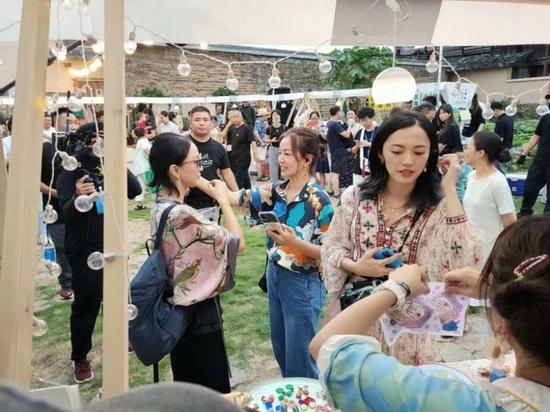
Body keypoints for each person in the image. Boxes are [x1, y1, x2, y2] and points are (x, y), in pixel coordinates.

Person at [311, 217, 550, 412]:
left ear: (502, 322)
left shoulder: (448, 402)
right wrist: (496, 291)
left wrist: (397, 288)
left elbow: (326, 346)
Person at [321, 111, 483, 365]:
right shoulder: (356, 196)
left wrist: (449, 189)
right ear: (380, 153)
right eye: (397, 151)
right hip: (360, 317)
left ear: (430, 155)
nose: (408, 161)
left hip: (411, 328)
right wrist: (356, 266)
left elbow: (465, 257)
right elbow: (333, 246)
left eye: (419, 152)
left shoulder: (439, 207)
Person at [226, 128, 334, 378]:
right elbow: (238, 197)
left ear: (307, 160)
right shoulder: (278, 190)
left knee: (300, 356)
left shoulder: (319, 199)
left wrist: (294, 243)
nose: (280, 159)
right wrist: (201, 181)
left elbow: (329, 252)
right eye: (280, 153)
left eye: (287, 154)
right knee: (282, 348)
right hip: (275, 275)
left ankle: (307, 396)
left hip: (303, 283)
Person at [148, 133, 245, 393]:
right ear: (175, 170)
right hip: (198, 316)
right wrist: (223, 200)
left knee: (189, 388)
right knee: (211, 393)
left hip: (176, 312)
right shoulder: (183, 215)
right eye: (195, 162)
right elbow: (238, 243)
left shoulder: (160, 205)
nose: (201, 168)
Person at [56, 122, 141, 383]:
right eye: (95, 139)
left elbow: (135, 191)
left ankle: (121, 338)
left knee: (117, 295)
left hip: (111, 243)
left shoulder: (108, 166)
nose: (99, 144)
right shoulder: (70, 171)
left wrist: (115, 160)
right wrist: (77, 197)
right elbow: (64, 213)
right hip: (83, 248)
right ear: (82, 142)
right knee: (87, 304)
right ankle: (80, 357)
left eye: (104, 139)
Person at [463, 131, 516, 263]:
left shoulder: (497, 182)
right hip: (469, 247)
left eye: (467, 147)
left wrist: (501, 250)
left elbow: (510, 221)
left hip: (488, 251)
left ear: (480, 153)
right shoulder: (471, 176)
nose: (465, 151)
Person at [185, 106, 238, 219]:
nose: (202, 123)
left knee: (213, 230)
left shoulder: (218, 147)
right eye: (197, 120)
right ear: (191, 123)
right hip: (186, 203)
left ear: (211, 123)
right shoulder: (183, 145)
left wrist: (237, 193)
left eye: (205, 120)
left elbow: (226, 172)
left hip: (211, 201)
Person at [41, 122, 73, 299]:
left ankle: (77, 281)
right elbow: (36, 182)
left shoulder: (75, 151)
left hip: (76, 207)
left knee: (77, 245)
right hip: (54, 209)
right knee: (61, 247)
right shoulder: (46, 150)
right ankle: (66, 284)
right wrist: (57, 193)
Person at [517, 111, 550, 216]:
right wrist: (524, 154)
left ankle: (547, 218)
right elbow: (536, 136)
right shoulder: (546, 118)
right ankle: (525, 212)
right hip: (540, 160)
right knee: (530, 187)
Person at [220, 109, 260, 190]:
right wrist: (228, 125)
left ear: (241, 117)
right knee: (245, 181)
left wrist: (255, 154)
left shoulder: (246, 128)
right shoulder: (232, 129)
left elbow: (253, 141)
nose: (235, 119)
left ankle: (237, 195)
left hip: (243, 159)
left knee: (238, 182)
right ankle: (248, 193)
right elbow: (222, 137)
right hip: (233, 159)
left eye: (237, 116)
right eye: (233, 117)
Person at [326, 106, 354, 198]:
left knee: (334, 172)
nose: (341, 113)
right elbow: (346, 135)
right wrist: (350, 125)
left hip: (333, 150)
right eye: (341, 112)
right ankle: (337, 193)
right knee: (336, 174)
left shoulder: (328, 124)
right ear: (337, 113)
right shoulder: (335, 125)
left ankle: (331, 190)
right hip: (339, 151)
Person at [352, 107, 378, 185]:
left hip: (375, 167)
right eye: (362, 121)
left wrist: (369, 144)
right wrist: (357, 146)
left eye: (366, 120)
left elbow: (383, 148)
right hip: (360, 167)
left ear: (372, 118)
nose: (363, 123)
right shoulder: (360, 132)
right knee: (358, 189)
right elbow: (353, 151)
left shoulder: (379, 131)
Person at [492, 101, 514, 174]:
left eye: (492, 112)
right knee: (503, 173)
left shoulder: (500, 121)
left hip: (502, 152)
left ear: (495, 110)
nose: (493, 115)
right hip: (510, 149)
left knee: (499, 174)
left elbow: (499, 139)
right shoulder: (509, 118)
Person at [264, 109, 286, 184]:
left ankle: (284, 183)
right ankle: (274, 184)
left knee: (284, 166)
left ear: (280, 116)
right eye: (274, 115)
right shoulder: (269, 128)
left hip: (283, 149)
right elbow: (265, 140)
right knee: (273, 168)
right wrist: (272, 140)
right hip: (273, 149)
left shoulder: (284, 127)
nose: (275, 116)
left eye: (277, 115)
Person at [133, 127, 152, 210]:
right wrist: (153, 157)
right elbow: (146, 150)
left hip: (139, 167)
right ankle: (157, 199)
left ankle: (139, 203)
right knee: (151, 184)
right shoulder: (144, 141)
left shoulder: (140, 141)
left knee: (141, 185)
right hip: (145, 167)